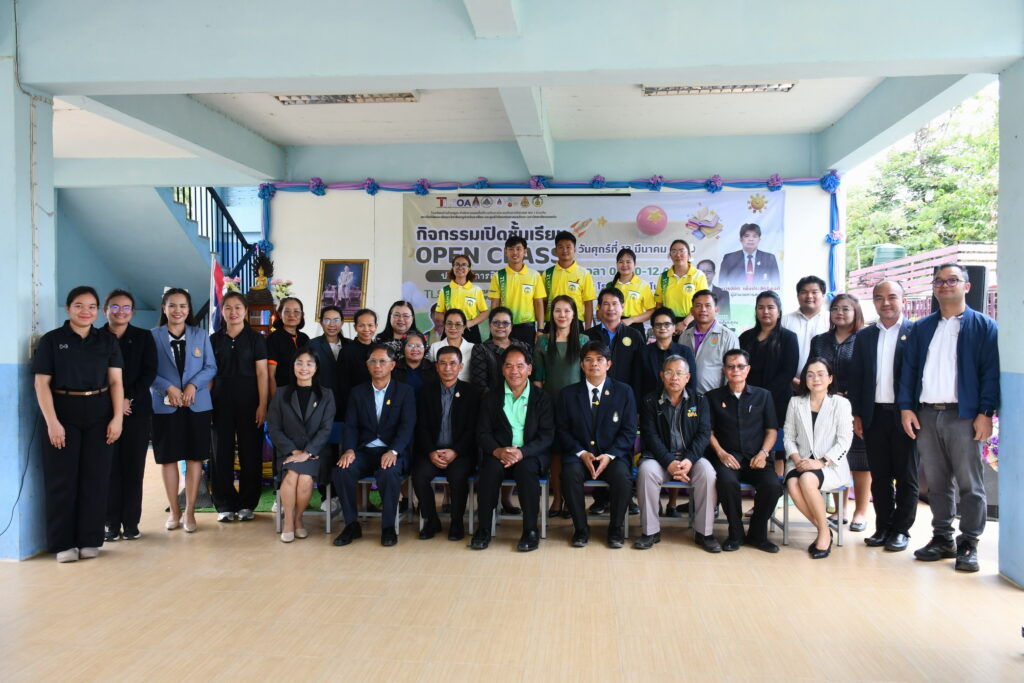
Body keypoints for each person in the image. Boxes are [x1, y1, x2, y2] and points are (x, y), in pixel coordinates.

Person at [899, 264, 1000, 573]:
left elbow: (990, 374)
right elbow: (909, 371)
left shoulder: (983, 326)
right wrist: (906, 407)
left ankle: (969, 542)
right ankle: (942, 537)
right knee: (937, 483)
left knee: (970, 484)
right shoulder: (922, 328)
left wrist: (985, 413)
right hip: (927, 414)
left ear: (966, 286)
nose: (944, 286)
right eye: (939, 281)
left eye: (952, 280)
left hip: (964, 416)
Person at [33, 286, 125, 562]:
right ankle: (63, 544)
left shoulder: (106, 341)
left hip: (99, 411)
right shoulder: (52, 341)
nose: (86, 312)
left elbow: (116, 382)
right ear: (68, 308)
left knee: (95, 479)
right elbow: (41, 383)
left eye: (91, 307)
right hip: (63, 411)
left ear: (98, 311)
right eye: (79, 306)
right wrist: (52, 422)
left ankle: (89, 540)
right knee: (62, 479)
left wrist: (117, 418)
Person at [849, 280, 917, 552]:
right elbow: (856, 378)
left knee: (906, 476)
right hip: (873, 415)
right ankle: (883, 527)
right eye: (879, 297)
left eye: (892, 297)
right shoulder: (865, 336)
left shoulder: (915, 332)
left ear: (903, 300)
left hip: (906, 416)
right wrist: (857, 414)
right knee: (880, 475)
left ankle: (901, 530)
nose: (885, 302)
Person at [471, 346, 555, 552]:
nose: (514, 371)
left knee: (526, 470)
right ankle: (483, 529)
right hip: (499, 453)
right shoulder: (492, 397)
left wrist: (522, 452)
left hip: (530, 454)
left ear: (529, 369)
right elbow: (482, 433)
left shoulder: (542, 398)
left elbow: (547, 436)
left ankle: (530, 530)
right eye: (508, 366)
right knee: (489, 470)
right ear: (502, 370)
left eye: (520, 366)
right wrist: (498, 451)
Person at [332, 344, 416, 547]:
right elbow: (351, 425)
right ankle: (352, 525)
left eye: (382, 361)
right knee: (342, 471)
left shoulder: (404, 392)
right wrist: (349, 450)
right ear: (367, 365)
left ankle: (388, 527)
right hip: (364, 450)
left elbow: (407, 426)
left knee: (388, 472)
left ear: (392, 365)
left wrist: (394, 450)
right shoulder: (358, 392)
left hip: (392, 451)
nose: (377, 365)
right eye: (373, 361)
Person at [149, 288, 217, 534]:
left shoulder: (200, 335)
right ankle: (174, 511)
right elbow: (147, 370)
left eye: (183, 306)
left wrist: (192, 385)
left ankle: (189, 511)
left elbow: (210, 367)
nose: (177, 310)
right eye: (172, 305)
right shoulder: (152, 336)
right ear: (164, 308)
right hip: (165, 406)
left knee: (194, 457)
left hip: (196, 405)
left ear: (189, 310)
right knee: (168, 458)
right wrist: (167, 388)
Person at [556, 342, 637, 548]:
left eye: (600, 360)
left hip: (613, 456)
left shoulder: (624, 391)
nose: (594, 364)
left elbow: (629, 431)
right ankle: (581, 529)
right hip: (579, 455)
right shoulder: (567, 394)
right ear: (581, 365)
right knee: (569, 475)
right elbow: (562, 431)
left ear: (608, 364)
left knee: (622, 477)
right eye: (589, 360)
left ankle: (615, 529)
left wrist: (609, 455)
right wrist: (582, 453)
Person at [634, 355, 718, 552]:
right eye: (669, 372)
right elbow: (650, 436)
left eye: (679, 373)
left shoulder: (700, 400)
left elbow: (704, 434)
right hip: (659, 458)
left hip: (691, 458)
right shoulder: (649, 401)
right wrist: (669, 462)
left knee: (708, 473)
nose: (674, 378)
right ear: (662, 375)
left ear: (688, 377)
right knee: (646, 472)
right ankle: (650, 532)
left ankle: (704, 533)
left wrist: (689, 459)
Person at [706, 349, 783, 553]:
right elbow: (708, 432)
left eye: (740, 366)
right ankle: (736, 533)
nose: (736, 370)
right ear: (724, 370)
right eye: (731, 367)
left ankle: (758, 533)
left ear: (748, 369)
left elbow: (771, 431)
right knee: (726, 483)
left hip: (757, 458)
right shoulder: (712, 397)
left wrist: (763, 453)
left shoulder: (763, 396)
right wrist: (721, 453)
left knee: (772, 486)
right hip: (727, 458)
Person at [809, 293, 869, 533]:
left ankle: (861, 511)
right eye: (835, 309)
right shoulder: (820, 340)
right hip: (827, 407)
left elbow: (868, 375)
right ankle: (839, 510)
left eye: (845, 309)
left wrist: (852, 399)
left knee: (860, 461)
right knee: (834, 457)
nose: (840, 313)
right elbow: (813, 370)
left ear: (856, 312)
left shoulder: (864, 338)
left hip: (857, 409)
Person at [783, 358, 854, 559]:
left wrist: (821, 462)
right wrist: (797, 459)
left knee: (807, 479)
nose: (816, 379)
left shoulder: (840, 403)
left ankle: (823, 533)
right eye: (810, 375)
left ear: (830, 378)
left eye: (821, 374)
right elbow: (788, 437)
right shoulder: (795, 402)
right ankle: (824, 529)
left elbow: (845, 440)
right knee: (793, 483)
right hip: (799, 461)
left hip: (830, 464)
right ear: (804, 379)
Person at [102, 289, 157, 543]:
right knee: (109, 469)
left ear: (133, 312)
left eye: (126, 307)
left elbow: (149, 372)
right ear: (105, 310)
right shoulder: (95, 337)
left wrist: (127, 398)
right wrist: (114, 401)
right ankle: (110, 524)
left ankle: (132, 523)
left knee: (134, 469)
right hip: (104, 412)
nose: (120, 312)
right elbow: (93, 374)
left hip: (136, 412)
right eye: (115, 307)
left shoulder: (144, 337)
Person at [209, 291, 269, 523]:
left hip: (250, 403)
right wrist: (206, 405)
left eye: (237, 307)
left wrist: (262, 404)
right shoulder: (213, 340)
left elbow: (262, 373)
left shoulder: (256, 339)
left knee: (250, 453)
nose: (233, 312)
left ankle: (247, 503)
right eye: (228, 308)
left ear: (245, 311)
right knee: (220, 454)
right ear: (222, 312)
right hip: (219, 403)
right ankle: (224, 504)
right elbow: (209, 375)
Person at [584, 287, 645, 515]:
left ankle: (626, 497)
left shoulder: (634, 336)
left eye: (615, 304)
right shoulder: (588, 335)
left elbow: (639, 373)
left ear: (623, 307)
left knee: (624, 448)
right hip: (595, 399)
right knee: (597, 444)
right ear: (599, 309)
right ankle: (601, 499)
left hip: (625, 401)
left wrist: (637, 406)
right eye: (606, 304)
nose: (610, 308)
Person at [412, 346, 481, 541]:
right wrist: (431, 452)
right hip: (432, 451)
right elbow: (421, 427)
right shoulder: (425, 392)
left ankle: (457, 522)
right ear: (436, 366)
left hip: (460, 453)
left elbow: (473, 429)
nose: (447, 368)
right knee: (419, 475)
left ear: (461, 366)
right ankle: (432, 520)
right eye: (442, 363)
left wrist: (455, 451)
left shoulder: (471, 393)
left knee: (458, 477)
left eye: (452, 363)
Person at [267, 347, 335, 543]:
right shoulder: (281, 393)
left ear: (316, 368)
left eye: (309, 364)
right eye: (299, 363)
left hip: (316, 452)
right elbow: (274, 428)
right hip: (287, 451)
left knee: (304, 478)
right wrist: (293, 451)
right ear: (293, 366)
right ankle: (289, 522)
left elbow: (326, 429)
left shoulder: (326, 395)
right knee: (292, 474)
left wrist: (308, 452)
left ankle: (298, 519)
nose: (304, 368)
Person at [637, 306, 698, 517]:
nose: (662, 328)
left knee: (679, 451)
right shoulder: (644, 352)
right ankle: (655, 504)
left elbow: (692, 382)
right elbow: (637, 382)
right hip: (651, 410)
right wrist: (638, 411)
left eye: (667, 324)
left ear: (674, 328)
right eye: (658, 325)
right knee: (656, 452)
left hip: (679, 408)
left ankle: (672, 503)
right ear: (652, 328)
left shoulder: (684, 352)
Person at [533, 295, 589, 517]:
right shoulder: (543, 341)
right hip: (550, 405)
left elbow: (588, 376)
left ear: (574, 314)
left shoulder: (583, 340)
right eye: (557, 310)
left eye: (567, 310)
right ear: (551, 314)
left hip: (578, 406)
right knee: (555, 455)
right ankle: (557, 499)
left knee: (574, 453)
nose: (562, 315)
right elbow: (538, 379)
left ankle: (571, 501)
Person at [739, 290, 799, 475]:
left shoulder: (788, 337)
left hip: (778, 399)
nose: (765, 311)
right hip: (749, 398)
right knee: (752, 438)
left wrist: (763, 396)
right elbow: (739, 368)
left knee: (779, 443)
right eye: (761, 307)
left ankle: (779, 481)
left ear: (779, 312)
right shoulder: (745, 337)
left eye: (770, 307)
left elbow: (788, 371)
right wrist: (752, 395)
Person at [309, 305, 347, 513]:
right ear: (321, 322)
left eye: (336, 320)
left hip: (347, 406)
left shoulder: (349, 345)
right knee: (326, 450)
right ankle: (327, 495)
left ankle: (343, 495)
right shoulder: (312, 345)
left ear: (342, 322)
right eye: (327, 320)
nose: (332, 324)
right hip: (322, 406)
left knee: (345, 451)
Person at [487, 235, 547, 347]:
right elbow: (495, 303)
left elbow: (539, 303)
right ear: (505, 252)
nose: (515, 252)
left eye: (518, 249)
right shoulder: (498, 276)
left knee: (525, 357)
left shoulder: (534, 275)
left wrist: (540, 329)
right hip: (503, 327)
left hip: (527, 327)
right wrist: (493, 326)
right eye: (511, 249)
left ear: (525, 251)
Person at [679, 289, 741, 395]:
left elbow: (733, 372)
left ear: (716, 310)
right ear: (692, 311)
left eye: (708, 306)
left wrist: (727, 399)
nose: (703, 309)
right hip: (688, 397)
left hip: (715, 398)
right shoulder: (684, 336)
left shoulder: (728, 336)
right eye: (698, 306)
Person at [782, 275, 830, 390]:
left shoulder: (831, 320)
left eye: (814, 292)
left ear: (823, 295)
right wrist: (792, 379)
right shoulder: (785, 321)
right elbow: (778, 353)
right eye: (804, 292)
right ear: (798, 296)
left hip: (825, 387)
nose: (809, 296)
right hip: (790, 385)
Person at [654, 239, 709, 337]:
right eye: (674, 251)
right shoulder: (664, 277)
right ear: (670, 256)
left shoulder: (698, 275)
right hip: (669, 325)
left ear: (689, 255)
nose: (678, 255)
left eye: (681, 251)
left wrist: (684, 323)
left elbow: (702, 304)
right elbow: (659, 305)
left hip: (692, 322)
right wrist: (665, 324)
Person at [543, 230, 596, 329]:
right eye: (561, 247)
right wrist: (541, 327)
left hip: (576, 322)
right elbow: (543, 302)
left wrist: (588, 329)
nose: (565, 250)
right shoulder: (547, 273)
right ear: (555, 250)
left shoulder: (584, 273)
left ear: (574, 249)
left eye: (568, 247)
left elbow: (588, 303)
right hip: (552, 322)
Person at [469, 306, 528, 393]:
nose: (500, 326)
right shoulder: (480, 350)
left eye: (505, 323)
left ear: (511, 326)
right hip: (491, 399)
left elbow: (529, 378)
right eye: (496, 323)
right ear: (490, 325)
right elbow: (479, 385)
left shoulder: (523, 347)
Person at [435, 255, 488, 344]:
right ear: (453, 267)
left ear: (469, 268)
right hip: (451, 329)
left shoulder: (476, 290)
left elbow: (485, 312)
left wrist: (471, 322)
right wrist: (452, 322)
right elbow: (438, 314)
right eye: (457, 264)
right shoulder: (445, 290)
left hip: (470, 329)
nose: (460, 267)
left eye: (464, 265)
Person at [336, 308, 377, 419]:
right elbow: (343, 385)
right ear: (355, 327)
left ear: (376, 326)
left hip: (377, 404)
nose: (366, 329)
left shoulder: (379, 350)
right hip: (354, 405)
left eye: (370, 325)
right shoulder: (346, 351)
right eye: (361, 325)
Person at [266, 297, 310, 397]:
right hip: (281, 392)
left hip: (303, 392)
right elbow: (270, 375)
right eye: (287, 311)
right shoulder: (273, 338)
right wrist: (275, 401)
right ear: (280, 315)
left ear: (302, 315)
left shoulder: (305, 338)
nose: (292, 315)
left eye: (296, 311)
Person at [718, 223, 781, 289]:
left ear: (759, 240)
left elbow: (776, 285)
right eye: (747, 236)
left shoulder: (769, 258)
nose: (751, 239)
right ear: (741, 239)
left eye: (754, 236)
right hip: (736, 294)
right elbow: (722, 286)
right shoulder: (729, 258)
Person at [611, 247, 656, 335]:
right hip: (613, 326)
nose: (624, 265)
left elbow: (651, 311)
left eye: (628, 262)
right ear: (616, 264)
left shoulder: (643, 285)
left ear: (634, 264)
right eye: (621, 262)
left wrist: (631, 320)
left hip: (635, 327)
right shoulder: (610, 286)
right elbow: (599, 312)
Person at [428, 308, 474, 382]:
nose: (453, 328)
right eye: (449, 324)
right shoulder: (434, 347)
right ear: (444, 325)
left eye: (458, 324)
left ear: (464, 327)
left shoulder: (473, 348)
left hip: (467, 388)